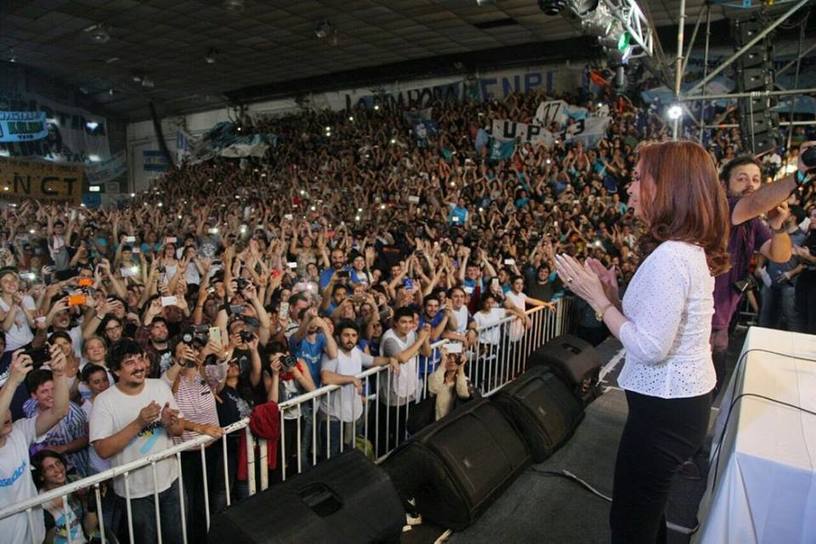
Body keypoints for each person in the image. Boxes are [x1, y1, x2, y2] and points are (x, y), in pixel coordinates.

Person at [554, 140, 730, 543]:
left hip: (664, 414)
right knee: (647, 518)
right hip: (676, 409)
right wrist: (613, 296)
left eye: (637, 178)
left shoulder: (671, 256)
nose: (628, 189)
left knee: (631, 525)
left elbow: (650, 347)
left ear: (667, 186)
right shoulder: (683, 251)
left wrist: (595, 299)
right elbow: (654, 325)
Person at [711, 142, 814, 388]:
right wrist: (799, 174)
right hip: (699, 319)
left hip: (724, 317)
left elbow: (780, 255)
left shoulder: (754, 223)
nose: (751, 186)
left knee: (713, 386)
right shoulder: (722, 207)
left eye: (756, 180)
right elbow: (756, 202)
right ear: (724, 185)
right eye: (742, 179)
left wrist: (778, 227)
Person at [88, 339, 185, 544]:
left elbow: (179, 429)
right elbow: (102, 450)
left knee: (177, 538)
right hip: (134, 492)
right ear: (116, 370)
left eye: (140, 359)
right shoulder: (104, 402)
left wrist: (170, 423)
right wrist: (139, 422)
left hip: (171, 481)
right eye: (130, 362)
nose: (139, 366)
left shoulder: (159, 386)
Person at [0, 346, 70, 544]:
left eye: (6, 408)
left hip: (35, 535)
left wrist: (59, 373)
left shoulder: (19, 431)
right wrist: (12, 381)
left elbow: (59, 411)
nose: (6, 414)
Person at [319, 321, 398, 457]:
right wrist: (351, 379)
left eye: (354, 335)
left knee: (348, 451)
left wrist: (391, 359)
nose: (350, 339)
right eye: (346, 335)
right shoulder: (332, 354)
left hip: (351, 411)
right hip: (333, 416)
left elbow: (372, 361)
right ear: (338, 337)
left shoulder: (356, 351)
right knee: (331, 456)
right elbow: (326, 377)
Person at [31, 449, 100, 544]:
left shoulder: (75, 483)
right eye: (50, 468)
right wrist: (49, 529)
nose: (57, 469)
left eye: (58, 463)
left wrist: (91, 507)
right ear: (41, 476)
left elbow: (89, 530)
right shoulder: (38, 502)